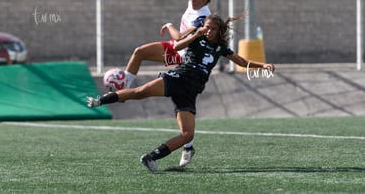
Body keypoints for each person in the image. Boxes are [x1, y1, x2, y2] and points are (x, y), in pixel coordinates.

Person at [88, 14, 275, 172]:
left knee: (187, 135)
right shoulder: (197, 38)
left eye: (213, 29)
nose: (209, 31)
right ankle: (100, 101)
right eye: (207, 27)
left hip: (190, 91)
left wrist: (263, 65)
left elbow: (241, 61)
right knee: (140, 92)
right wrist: (196, 34)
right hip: (178, 78)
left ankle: (151, 157)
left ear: (219, 31)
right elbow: (177, 47)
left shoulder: (221, 48)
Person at [122, 0, 211, 166]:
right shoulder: (193, 5)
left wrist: (169, 24)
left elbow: (178, 37)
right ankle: (123, 87)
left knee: (182, 105)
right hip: (176, 50)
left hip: (184, 58)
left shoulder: (203, 17)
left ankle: (188, 146)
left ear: (206, 0)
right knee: (139, 52)